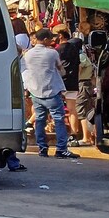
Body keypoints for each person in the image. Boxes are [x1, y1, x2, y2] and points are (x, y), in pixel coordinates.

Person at [22, 28, 77, 159]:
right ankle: (61, 149)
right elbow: (61, 70)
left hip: (35, 91)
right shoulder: (52, 53)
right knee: (58, 119)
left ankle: (42, 148)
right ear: (45, 39)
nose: (53, 40)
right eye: (50, 38)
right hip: (51, 90)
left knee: (40, 120)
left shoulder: (28, 54)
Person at [56, 28, 83, 140]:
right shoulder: (75, 49)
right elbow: (79, 66)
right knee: (72, 109)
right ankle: (73, 133)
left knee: (57, 109)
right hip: (72, 82)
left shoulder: (57, 50)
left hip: (59, 83)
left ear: (61, 37)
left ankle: (60, 133)